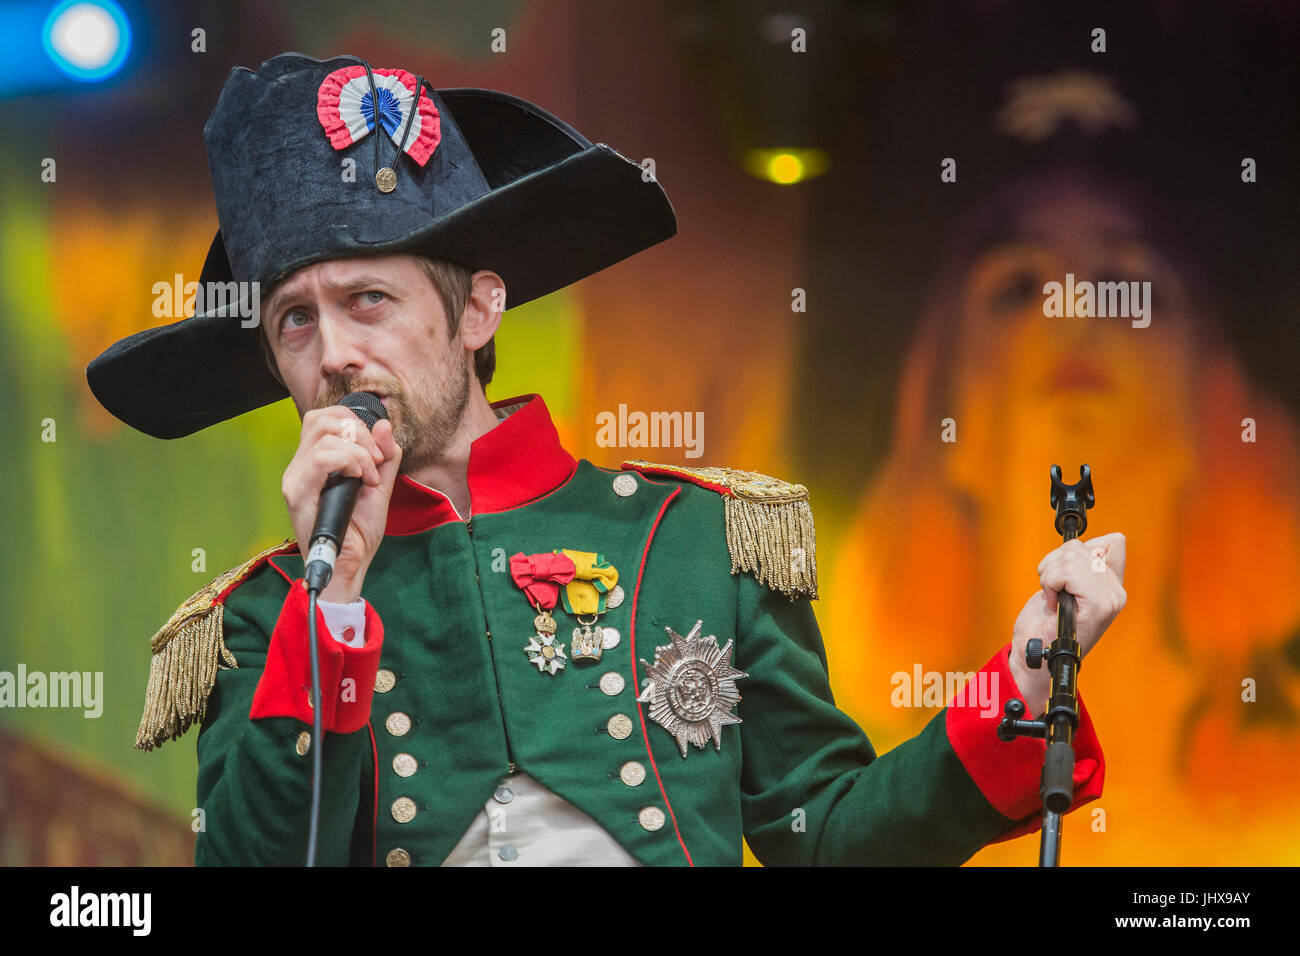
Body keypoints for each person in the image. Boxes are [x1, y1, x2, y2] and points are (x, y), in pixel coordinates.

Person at [86, 52, 1123, 866]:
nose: (337, 350)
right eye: (294, 323)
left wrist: (1028, 682)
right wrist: (335, 609)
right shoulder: (265, 619)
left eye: (370, 299)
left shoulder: (695, 539)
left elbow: (831, 837)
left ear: (479, 306)